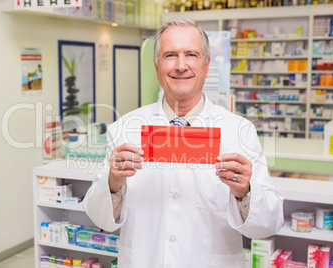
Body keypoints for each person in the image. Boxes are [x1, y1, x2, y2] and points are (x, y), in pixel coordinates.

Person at [83, 17, 284, 267]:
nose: (181, 65)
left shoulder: (239, 131)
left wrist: (245, 192)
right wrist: (113, 183)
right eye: (170, 55)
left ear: (207, 66)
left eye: (191, 54)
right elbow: (99, 217)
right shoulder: (125, 129)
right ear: (156, 67)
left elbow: (269, 223)